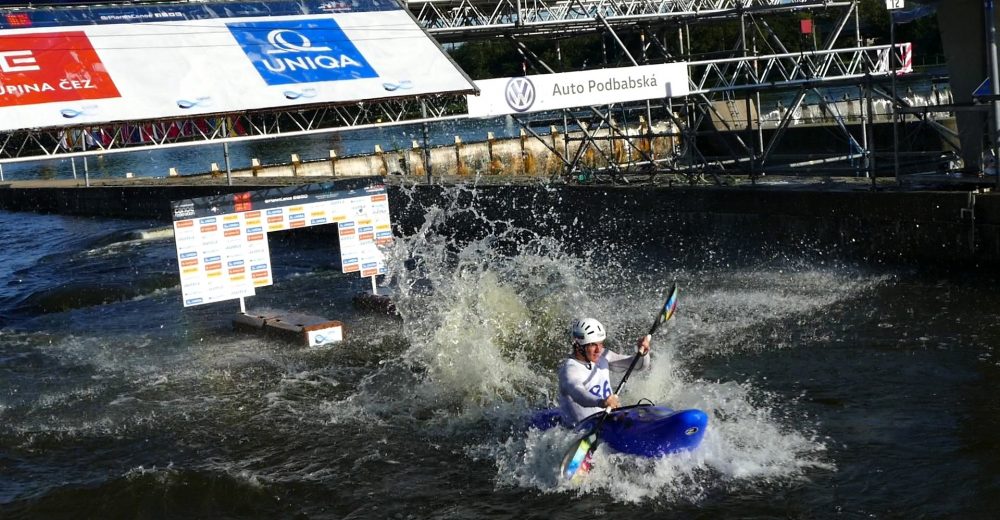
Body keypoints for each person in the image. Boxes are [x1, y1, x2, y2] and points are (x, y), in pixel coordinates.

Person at [558, 317, 651, 426]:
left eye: (600, 343)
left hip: (611, 419)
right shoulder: (569, 370)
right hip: (585, 429)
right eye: (592, 345)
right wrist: (602, 402)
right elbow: (579, 394)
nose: (598, 350)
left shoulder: (603, 355)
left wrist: (643, 353)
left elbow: (639, 366)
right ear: (579, 346)